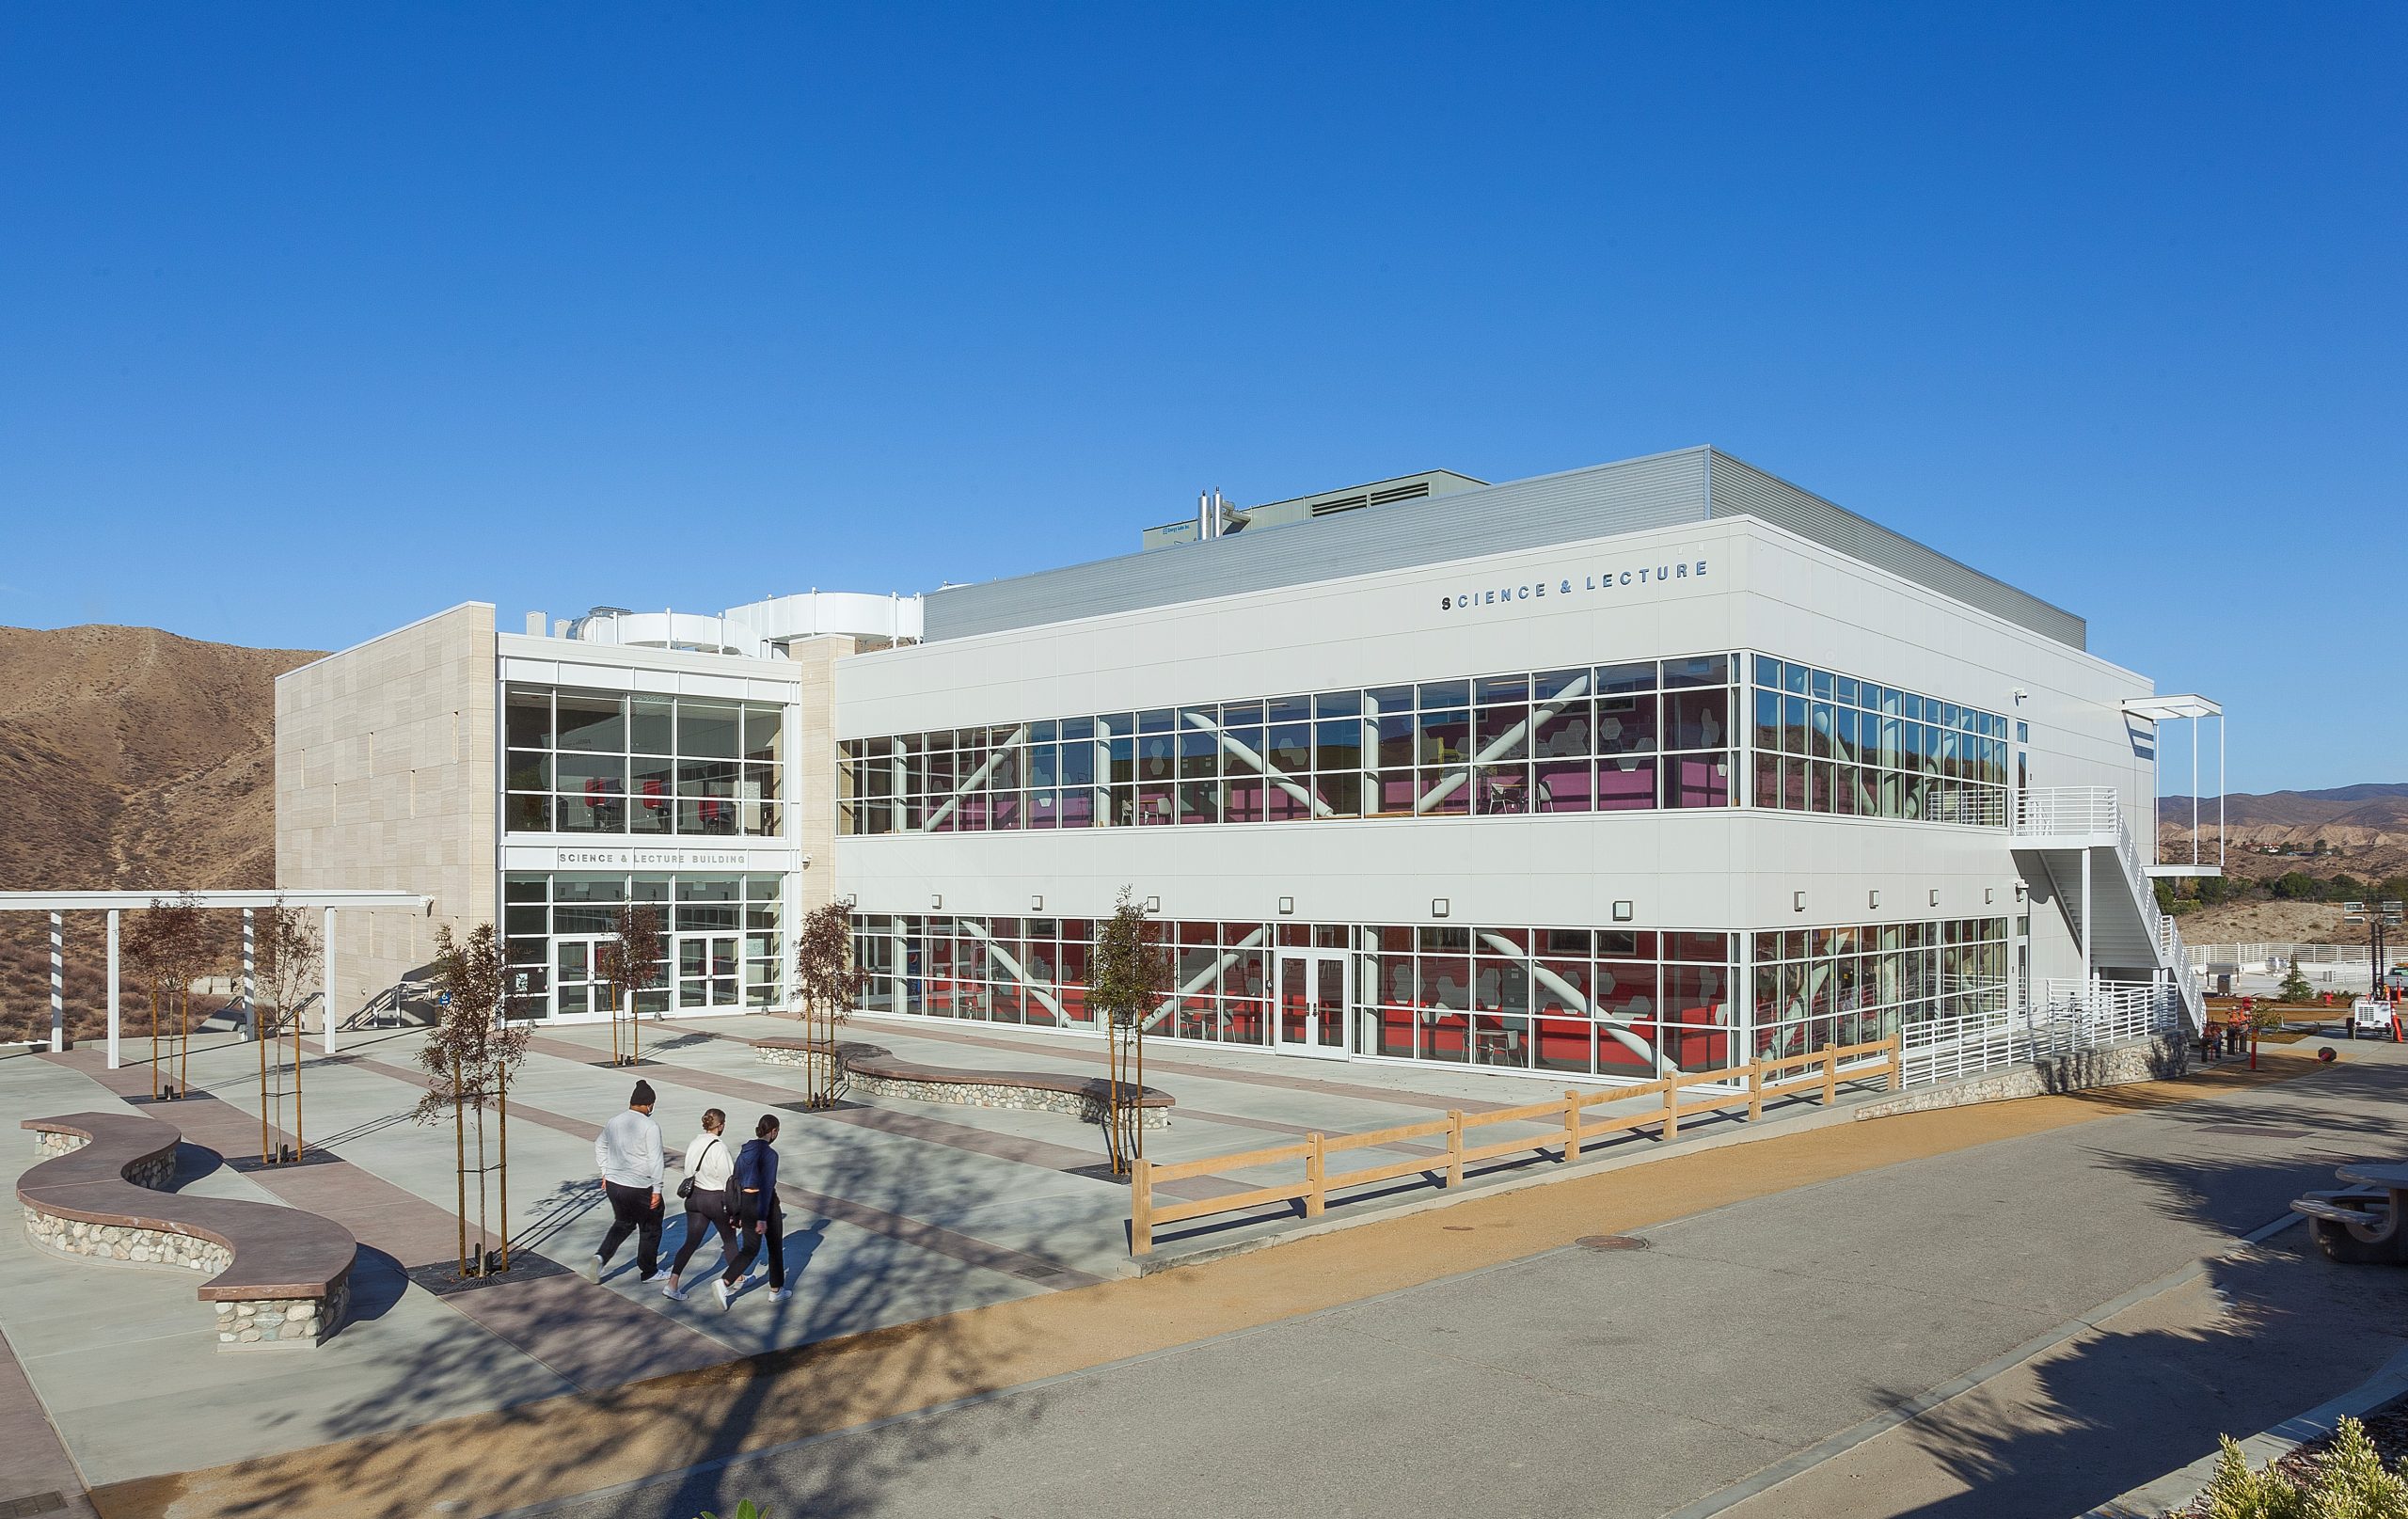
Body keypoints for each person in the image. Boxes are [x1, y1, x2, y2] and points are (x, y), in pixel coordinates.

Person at [585, 1080, 665, 1284]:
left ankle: (600, 1257)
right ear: (649, 1105)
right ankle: (649, 1271)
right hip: (640, 1186)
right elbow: (656, 1159)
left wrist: (605, 1171)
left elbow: (599, 1145)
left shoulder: (614, 1121)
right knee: (650, 1227)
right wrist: (657, 1189)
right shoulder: (650, 1126)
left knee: (623, 1223)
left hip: (614, 1185)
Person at [661, 1107, 737, 1301]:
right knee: (729, 1240)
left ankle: (672, 1284)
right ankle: (737, 1278)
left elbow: (688, 1171)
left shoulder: (694, 1142)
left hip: (694, 1198)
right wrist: (735, 1208)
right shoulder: (719, 1147)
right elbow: (728, 1180)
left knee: (691, 1242)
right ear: (721, 1126)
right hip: (715, 1199)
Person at [716, 1114, 790, 1309]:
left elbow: (735, 1181)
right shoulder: (770, 1155)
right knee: (775, 1246)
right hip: (765, 1203)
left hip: (745, 1201)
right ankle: (776, 1290)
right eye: (777, 1131)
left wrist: (736, 1213)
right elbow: (767, 1186)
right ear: (773, 1131)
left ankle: (724, 1282)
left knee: (750, 1249)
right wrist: (762, 1217)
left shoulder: (744, 1151)